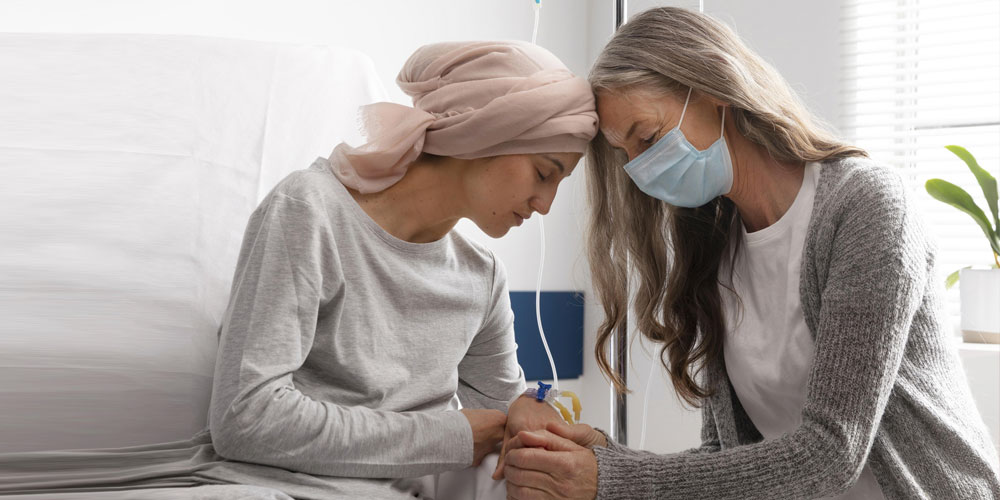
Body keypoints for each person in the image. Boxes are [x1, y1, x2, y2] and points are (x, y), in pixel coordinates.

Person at [0, 40, 597, 500]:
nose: (543, 206)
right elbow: (246, 419)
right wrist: (459, 436)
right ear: (483, 135)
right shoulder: (309, 212)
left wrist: (532, 426)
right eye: (544, 173)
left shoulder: (479, 275)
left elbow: (506, 421)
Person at [496, 7, 1000, 500]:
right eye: (627, 155)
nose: (642, 169)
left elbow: (831, 453)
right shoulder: (714, 247)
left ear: (713, 87)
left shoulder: (867, 208)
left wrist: (613, 480)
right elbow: (723, 460)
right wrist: (607, 458)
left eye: (647, 137)